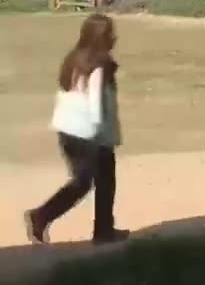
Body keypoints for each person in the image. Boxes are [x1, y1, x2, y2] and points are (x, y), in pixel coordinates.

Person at [24, 14, 130, 246]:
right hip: (88, 133)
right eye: (110, 35)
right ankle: (41, 216)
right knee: (89, 181)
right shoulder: (99, 66)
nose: (114, 38)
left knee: (96, 180)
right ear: (100, 39)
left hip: (67, 131)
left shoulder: (75, 59)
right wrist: (104, 137)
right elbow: (95, 106)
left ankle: (103, 230)